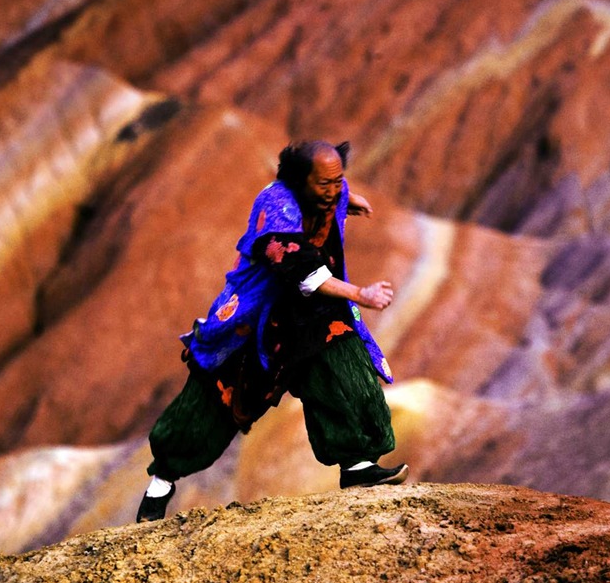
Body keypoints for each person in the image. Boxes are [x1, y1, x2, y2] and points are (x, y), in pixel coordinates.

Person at [136, 139, 407, 523]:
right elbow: (298, 266)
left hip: (311, 316)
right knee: (209, 404)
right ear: (299, 181)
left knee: (347, 371)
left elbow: (337, 190)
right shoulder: (275, 208)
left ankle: (358, 466)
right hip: (256, 320)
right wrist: (359, 294)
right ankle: (160, 485)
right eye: (324, 185)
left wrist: (351, 199)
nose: (332, 192)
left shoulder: (331, 191)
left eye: (338, 183)